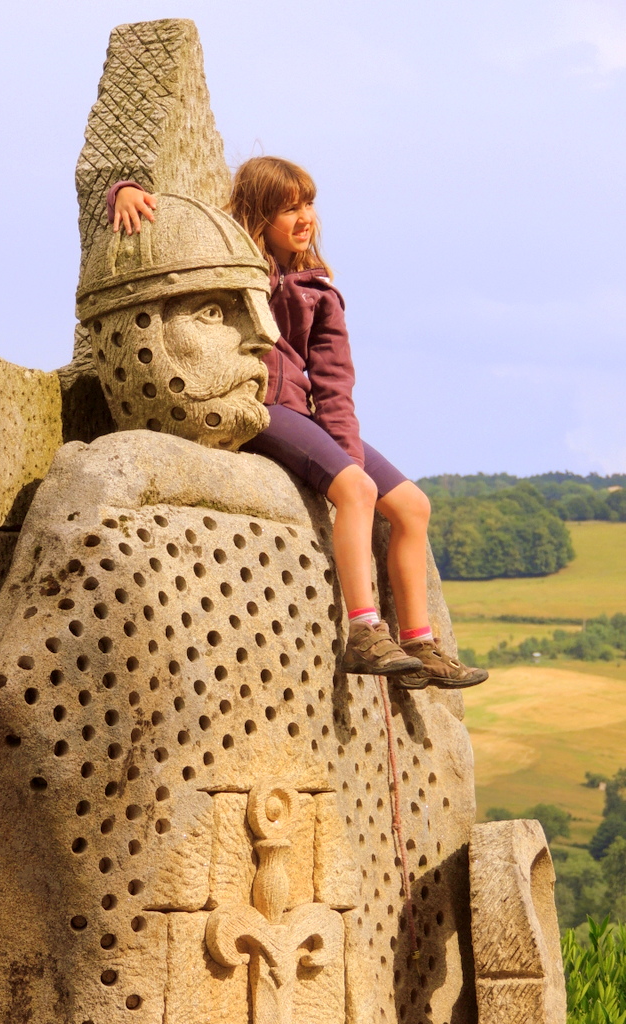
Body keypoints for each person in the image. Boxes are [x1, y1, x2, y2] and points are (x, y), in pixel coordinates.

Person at [106, 160, 487, 690]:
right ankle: (364, 632)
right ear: (260, 213)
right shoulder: (234, 264)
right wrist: (123, 191)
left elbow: (334, 385)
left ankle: (420, 643)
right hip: (258, 406)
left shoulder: (319, 292)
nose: (305, 217)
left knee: (411, 505)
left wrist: (345, 453)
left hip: (303, 411)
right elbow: (171, 239)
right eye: (289, 208)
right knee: (356, 490)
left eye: (308, 204)